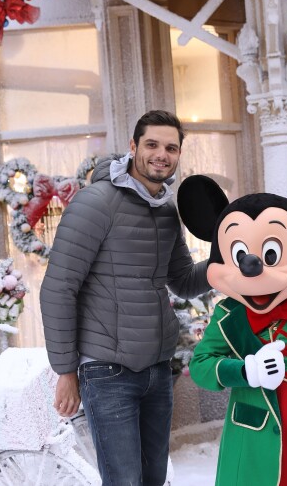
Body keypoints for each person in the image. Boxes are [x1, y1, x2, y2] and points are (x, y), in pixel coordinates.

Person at [40, 110, 210, 486]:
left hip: (156, 369)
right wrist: (66, 371)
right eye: (152, 144)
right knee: (123, 481)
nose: (161, 154)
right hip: (107, 370)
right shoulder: (95, 203)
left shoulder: (166, 210)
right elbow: (58, 288)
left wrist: (225, 260)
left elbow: (182, 280)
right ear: (134, 147)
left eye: (171, 147)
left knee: (153, 478)